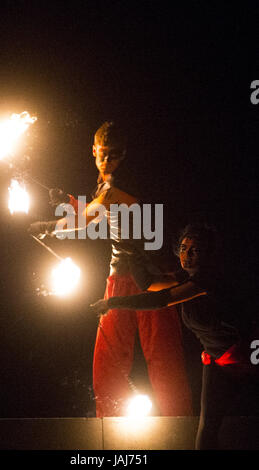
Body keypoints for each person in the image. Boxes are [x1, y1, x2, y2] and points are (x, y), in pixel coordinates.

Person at [29, 121, 193, 417]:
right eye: (103, 154)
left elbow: (88, 220)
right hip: (119, 275)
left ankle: (178, 427)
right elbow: (97, 211)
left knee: (163, 357)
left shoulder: (121, 183)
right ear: (93, 150)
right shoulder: (105, 183)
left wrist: (46, 227)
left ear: (124, 155)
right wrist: (66, 200)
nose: (107, 161)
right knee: (108, 358)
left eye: (114, 155)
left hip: (152, 277)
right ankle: (107, 426)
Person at [90, 223, 259, 448]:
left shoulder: (207, 280)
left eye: (194, 250)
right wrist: (133, 253)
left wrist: (113, 302)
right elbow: (148, 284)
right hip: (218, 361)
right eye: (183, 248)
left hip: (248, 355)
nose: (186, 255)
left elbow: (160, 300)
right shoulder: (184, 277)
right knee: (206, 433)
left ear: (208, 254)